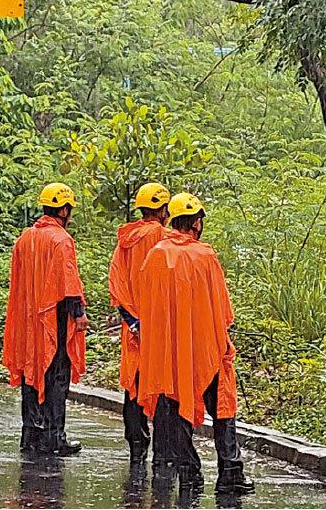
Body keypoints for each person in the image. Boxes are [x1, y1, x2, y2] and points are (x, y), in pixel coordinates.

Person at [136, 193, 253, 496]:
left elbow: (148, 308)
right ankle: (230, 471)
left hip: (172, 352)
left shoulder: (156, 256)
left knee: (175, 407)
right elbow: (223, 310)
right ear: (197, 222)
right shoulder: (205, 255)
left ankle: (189, 472)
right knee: (223, 408)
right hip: (208, 350)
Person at [2, 182, 88, 456]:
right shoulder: (61, 240)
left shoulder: (25, 238)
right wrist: (79, 314)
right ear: (63, 209)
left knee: (31, 371)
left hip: (29, 322)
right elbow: (69, 283)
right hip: (54, 320)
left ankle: (31, 435)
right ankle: (54, 438)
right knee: (56, 376)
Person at [108, 181, 170, 464]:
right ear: (163, 210)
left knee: (133, 382)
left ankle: (136, 443)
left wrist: (132, 320)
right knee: (160, 383)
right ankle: (162, 450)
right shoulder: (162, 236)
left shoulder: (125, 240)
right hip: (158, 325)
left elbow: (116, 284)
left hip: (132, 325)